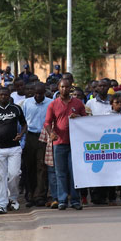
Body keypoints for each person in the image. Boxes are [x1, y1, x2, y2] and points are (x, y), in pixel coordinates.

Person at [44, 78, 86, 210]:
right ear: (58, 88)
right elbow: (47, 122)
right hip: (59, 143)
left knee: (74, 172)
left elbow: (87, 121)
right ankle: (62, 200)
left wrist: (78, 117)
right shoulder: (53, 104)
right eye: (62, 87)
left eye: (67, 87)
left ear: (70, 88)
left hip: (75, 143)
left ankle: (75, 200)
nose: (64, 89)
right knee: (60, 173)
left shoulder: (78, 103)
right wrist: (51, 133)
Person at [0, 87, 27, 214]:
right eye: (1, 95)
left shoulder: (16, 109)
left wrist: (21, 134)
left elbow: (24, 124)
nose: (3, 97)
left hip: (14, 148)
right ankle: (1, 204)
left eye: (6, 95)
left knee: (14, 174)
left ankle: (13, 198)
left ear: (9, 96)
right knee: (0, 177)